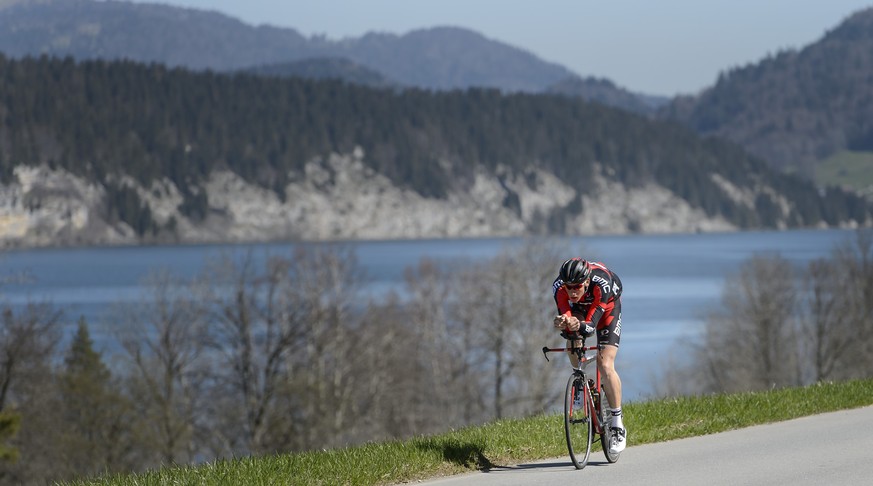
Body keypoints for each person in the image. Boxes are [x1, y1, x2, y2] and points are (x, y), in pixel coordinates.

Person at [552, 257, 627, 454]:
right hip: (582, 308)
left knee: (605, 363)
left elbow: (591, 326)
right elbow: (566, 314)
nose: (573, 291)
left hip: (607, 308)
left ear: (586, 281)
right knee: (571, 333)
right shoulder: (559, 287)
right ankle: (579, 380)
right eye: (569, 287)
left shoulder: (601, 283)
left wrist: (580, 325)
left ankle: (618, 424)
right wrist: (564, 322)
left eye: (577, 286)